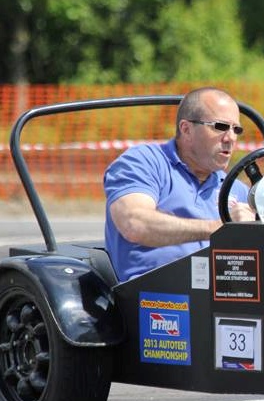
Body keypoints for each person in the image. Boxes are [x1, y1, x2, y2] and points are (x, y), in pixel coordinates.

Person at [104, 87, 253, 282]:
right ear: (186, 129)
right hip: (153, 300)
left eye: (237, 129)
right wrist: (221, 228)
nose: (231, 138)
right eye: (220, 126)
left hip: (222, 297)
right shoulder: (144, 162)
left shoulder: (236, 189)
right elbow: (134, 223)